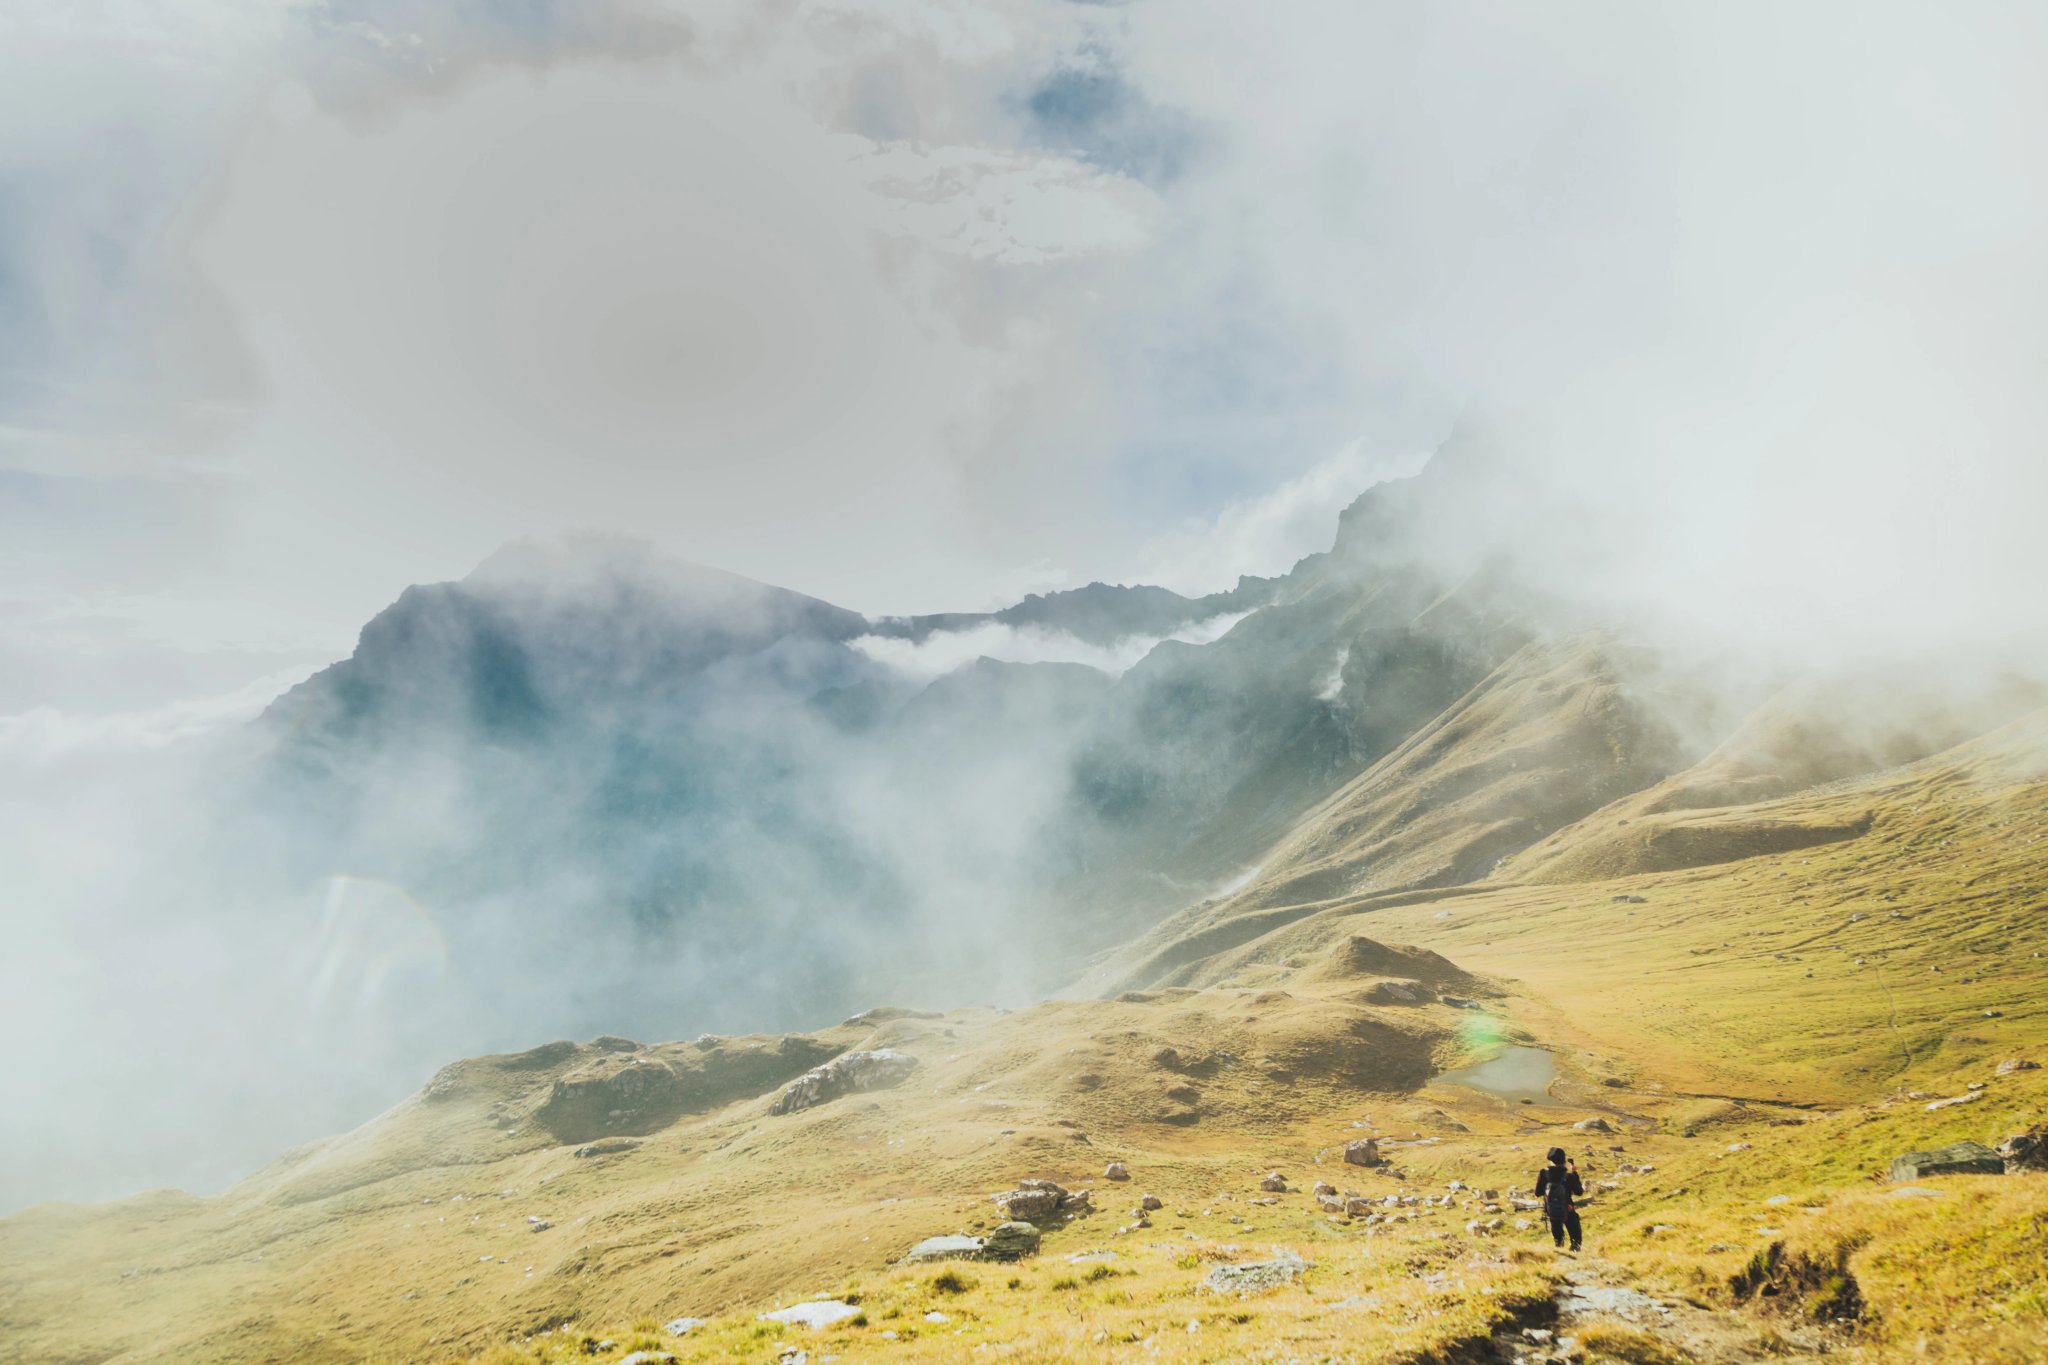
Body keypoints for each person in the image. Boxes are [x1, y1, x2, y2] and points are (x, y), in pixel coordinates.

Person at [1535, 1146, 1584, 1252]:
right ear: (1563, 1160)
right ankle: (1574, 1253)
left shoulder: (1544, 1173)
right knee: (1576, 1239)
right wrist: (1575, 1174)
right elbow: (1579, 1192)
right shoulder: (1568, 1175)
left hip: (1551, 1210)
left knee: (1558, 1239)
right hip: (1568, 1209)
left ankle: (1559, 1251)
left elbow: (1538, 1192)